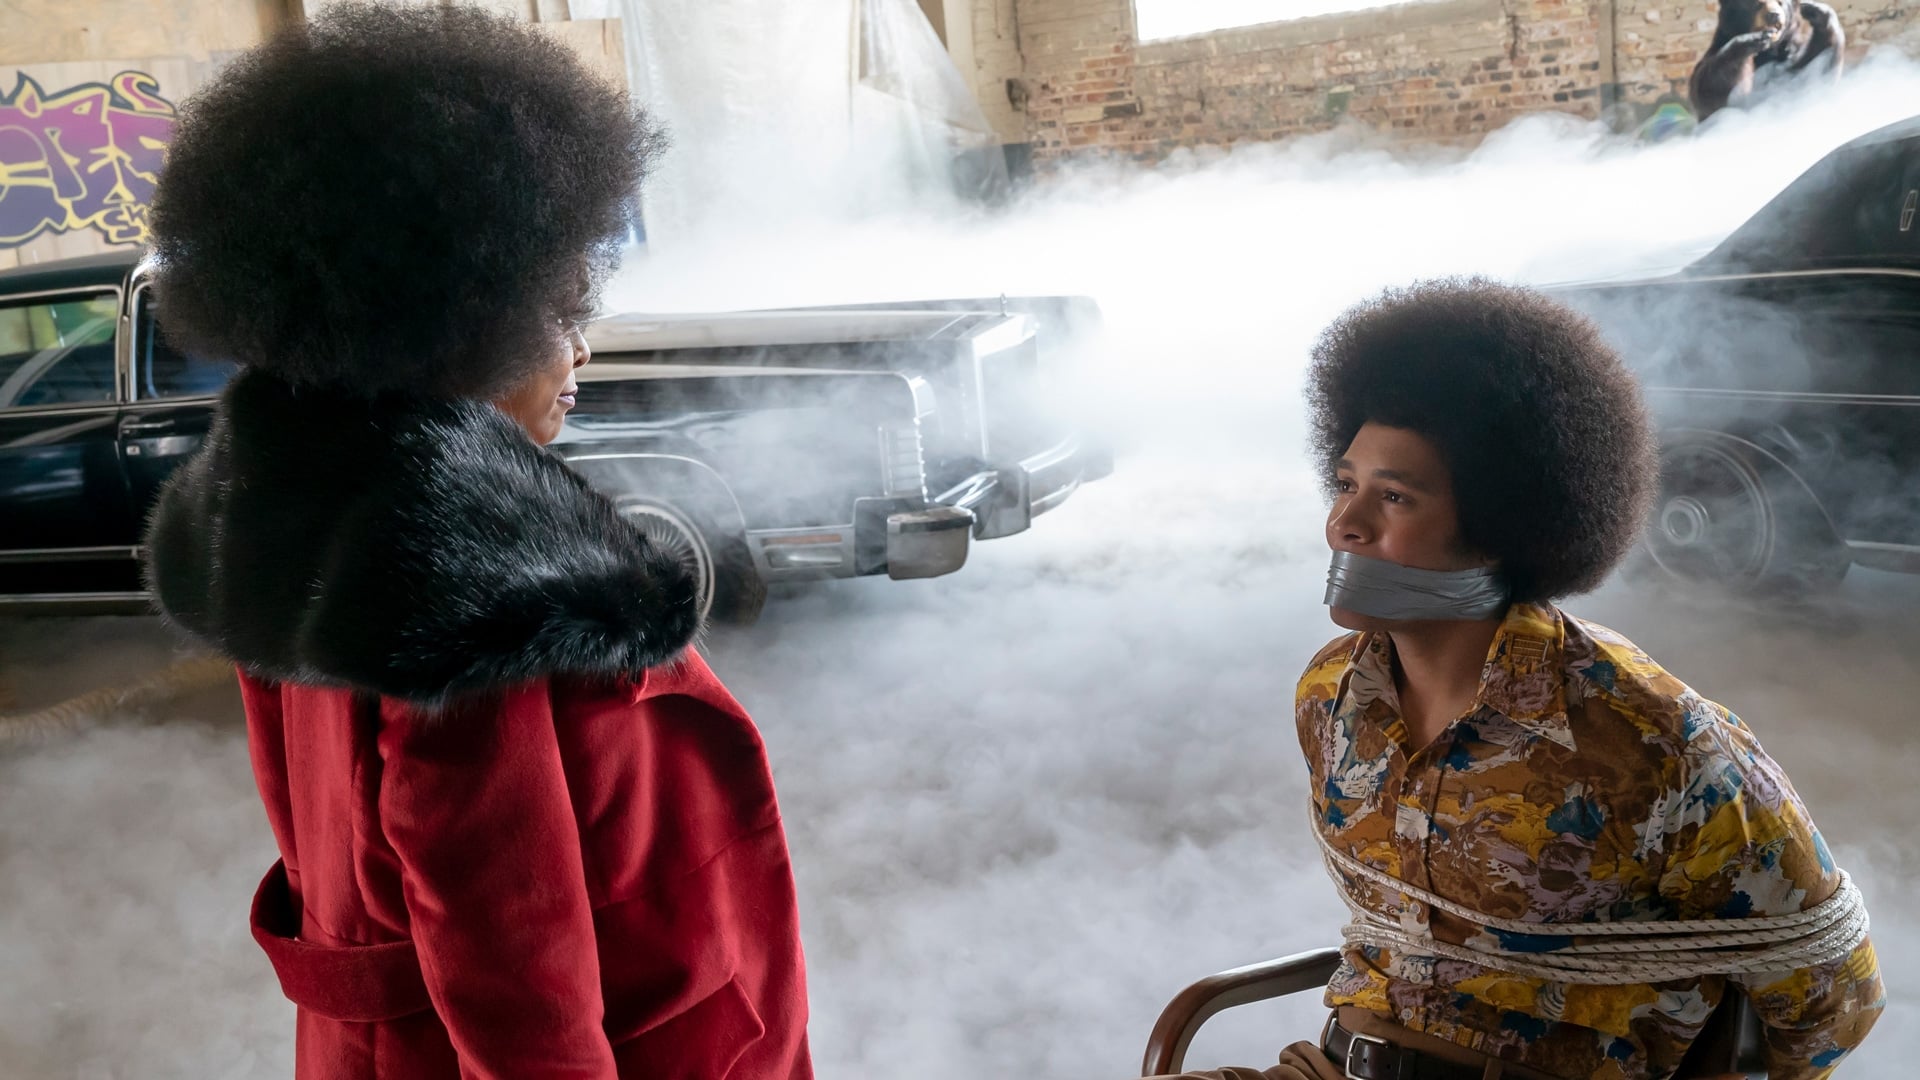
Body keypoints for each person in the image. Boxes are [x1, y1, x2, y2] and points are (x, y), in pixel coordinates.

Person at [140, 6, 810, 1077]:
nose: (581, 348)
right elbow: (514, 980)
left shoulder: (288, 525)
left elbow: (326, 858)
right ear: (454, 315)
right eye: (557, 307)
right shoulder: (479, 599)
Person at [1152, 279, 1881, 1080]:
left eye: (1394, 497)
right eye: (1346, 484)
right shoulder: (1330, 694)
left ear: (1500, 524)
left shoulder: (1653, 741)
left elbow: (1833, 996)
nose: (1343, 525)